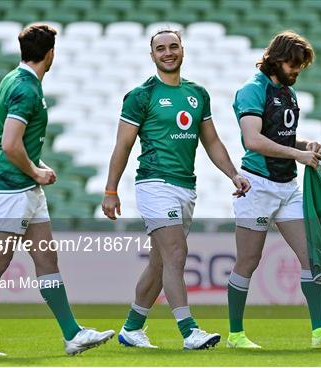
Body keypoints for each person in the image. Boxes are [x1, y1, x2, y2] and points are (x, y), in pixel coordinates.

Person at [0, 24, 114, 357]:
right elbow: (10, 143)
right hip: (10, 188)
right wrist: (35, 171)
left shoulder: (14, 81)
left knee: (46, 257)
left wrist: (37, 170)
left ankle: (72, 334)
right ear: (50, 54)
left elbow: (18, 142)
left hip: (26, 188)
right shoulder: (25, 88)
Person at [102, 29, 250, 350]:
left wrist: (233, 175)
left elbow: (211, 141)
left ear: (182, 50)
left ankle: (132, 328)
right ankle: (189, 331)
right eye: (160, 48)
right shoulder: (140, 96)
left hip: (186, 187)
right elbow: (123, 145)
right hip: (154, 183)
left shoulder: (198, 94)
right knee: (176, 255)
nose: (167, 52)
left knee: (160, 263)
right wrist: (111, 189)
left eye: (173, 46)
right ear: (152, 55)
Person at [227, 30, 321, 349]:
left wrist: (304, 145)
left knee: (311, 257)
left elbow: (281, 140)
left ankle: (320, 332)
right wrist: (298, 154)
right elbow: (253, 140)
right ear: (276, 59)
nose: (297, 70)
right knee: (248, 261)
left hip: (288, 187)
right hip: (256, 186)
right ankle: (235, 335)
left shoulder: (287, 92)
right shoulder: (251, 91)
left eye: (300, 65)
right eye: (293, 64)